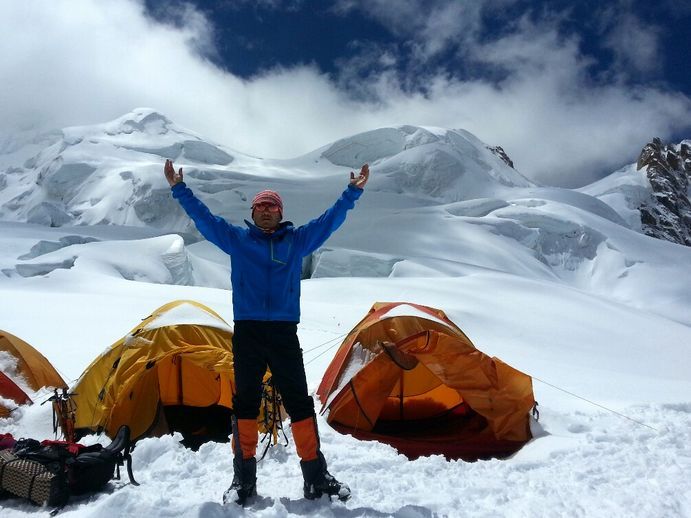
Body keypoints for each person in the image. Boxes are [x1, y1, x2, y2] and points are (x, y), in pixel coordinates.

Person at [164, 158, 369, 505]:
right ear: (253, 212)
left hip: (284, 333)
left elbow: (329, 222)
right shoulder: (238, 240)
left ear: (280, 212)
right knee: (244, 404)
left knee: (300, 404)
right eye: (260, 206)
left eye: (271, 206)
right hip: (249, 332)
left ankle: (315, 479)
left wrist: (352, 192)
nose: (266, 211)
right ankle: (243, 481)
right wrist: (179, 189)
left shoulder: (297, 241)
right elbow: (205, 220)